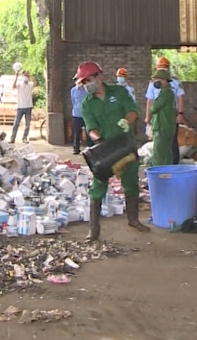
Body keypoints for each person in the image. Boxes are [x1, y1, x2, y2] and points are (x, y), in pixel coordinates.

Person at [76, 61, 150, 241]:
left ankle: (133, 220)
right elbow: (90, 126)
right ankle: (94, 230)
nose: (86, 85)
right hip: (106, 149)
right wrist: (98, 139)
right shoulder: (87, 103)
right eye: (83, 82)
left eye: (88, 80)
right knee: (98, 186)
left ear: (99, 77)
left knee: (131, 182)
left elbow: (133, 110)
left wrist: (127, 120)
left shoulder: (119, 92)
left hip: (125, 146)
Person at [145, 56, 186, 164]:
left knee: (168, 144)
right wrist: (147, 117)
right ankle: (168, 168)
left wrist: (180, 114)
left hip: (168, 117)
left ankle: (168, 167)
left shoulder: (174, 83)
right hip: (159, 118)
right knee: (166, 146)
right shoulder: (153, 84)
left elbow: (180, 98)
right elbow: (149, 100)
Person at [148, 68, 178, 166]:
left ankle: (157, 177)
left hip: (162, 127)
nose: (155, 82)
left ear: (164, 80)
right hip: (166, 127)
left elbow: (153, 108)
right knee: (166, 154)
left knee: (158, 156)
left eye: (158, 79)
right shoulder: (167, 92)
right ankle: (167, 176)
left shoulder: (166, 93)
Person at [9, 67, 37, 144]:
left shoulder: (30, 85)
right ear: (22, 76)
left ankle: (24, 138)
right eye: (24, 75)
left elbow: (35, 83)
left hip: (28, 107)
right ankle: (12, 138)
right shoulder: (19, 85)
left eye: (26, 76)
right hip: (20, 107)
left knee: (27, 124)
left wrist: (30, 75)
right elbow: (13, 86)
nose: (25, 77)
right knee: (16, 123)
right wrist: (16, 76)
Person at [70, 81, 87, 154]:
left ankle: (89, 148)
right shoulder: (73, 90)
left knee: (88, 132)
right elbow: (73, 101)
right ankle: (76, 148)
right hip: (76, 114)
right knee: (77, 133)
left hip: (86, 115)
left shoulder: (87, 90)